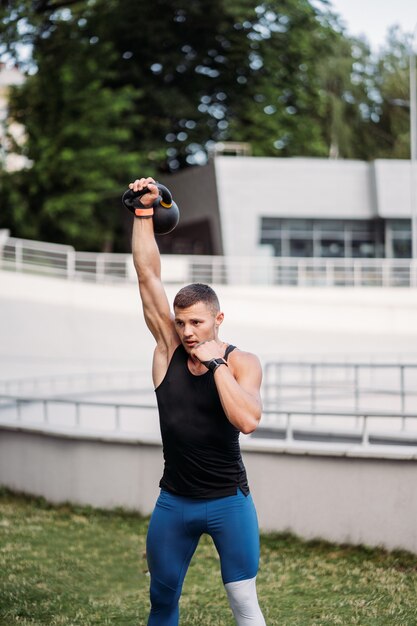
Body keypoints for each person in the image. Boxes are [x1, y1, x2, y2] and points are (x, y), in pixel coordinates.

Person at [130, 176, 267, 626]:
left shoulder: (243, 361)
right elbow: (148, 276)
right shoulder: (168, 351)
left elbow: (247, 419)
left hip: (230, 501)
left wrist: (216, 366)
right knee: (162, 601)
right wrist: (145, 213)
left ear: (217, 320)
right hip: (174, 502)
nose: (187, 332)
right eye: (181, 322)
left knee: (244, 606)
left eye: (197, 323)